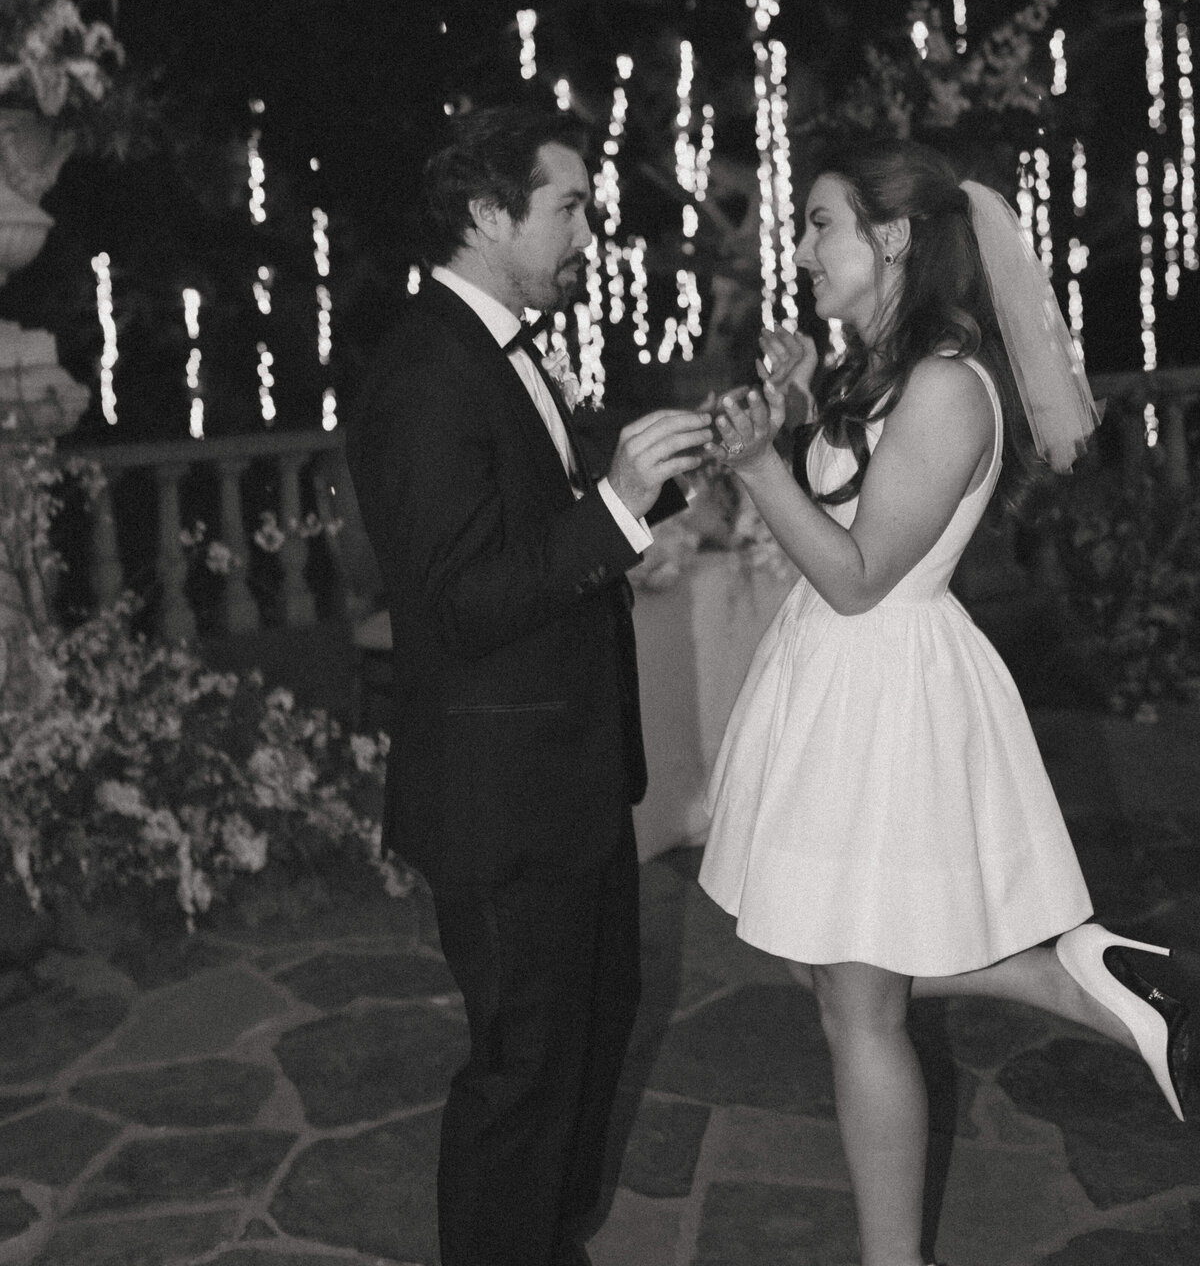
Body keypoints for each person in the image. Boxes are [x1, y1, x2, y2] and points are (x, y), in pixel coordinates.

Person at [698, 139, 1198, 1266]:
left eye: (821, 223)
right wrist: (786, 403)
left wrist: (761, 469)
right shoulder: (881, 369)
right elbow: (842, 508)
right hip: (837, 679)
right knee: (820, 957)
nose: (804, 248)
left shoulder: (948, 385)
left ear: (891, 239)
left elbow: (861, 571)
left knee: (858, 1002)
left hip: (887, 690)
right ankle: (1073, 974)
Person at [346, 105, 714, 1266]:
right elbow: (460, 603)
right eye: (567, 206)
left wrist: (644, 482)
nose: (586, 231)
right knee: (525, 1076)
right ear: (489, 212)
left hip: (568, 779)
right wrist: (612, 507)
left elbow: (534, 522)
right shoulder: (424, 372)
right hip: (504, 797)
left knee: (589, 1045)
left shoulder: (502, 347)